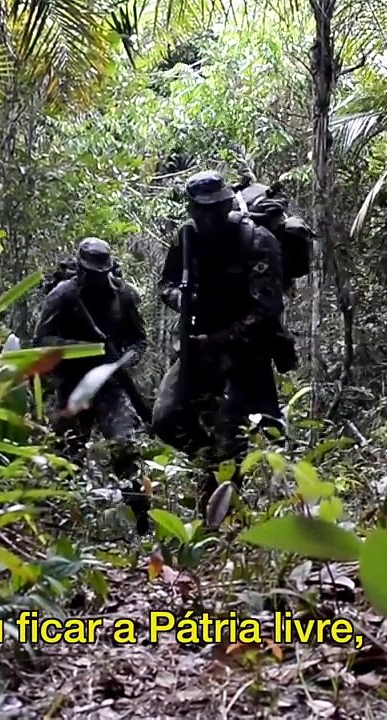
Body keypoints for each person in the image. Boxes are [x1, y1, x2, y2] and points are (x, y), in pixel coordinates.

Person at [151, 170, 287, 521]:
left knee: (232, 438)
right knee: (165, 417)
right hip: (199, 346)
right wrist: (182, 300)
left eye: (216, 208)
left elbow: (266, 311)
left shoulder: (257, 241)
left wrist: (219, 342)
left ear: (227, 204)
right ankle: (211, 471)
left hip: (244, 352)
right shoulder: (186, 240)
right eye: (201, 209)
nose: (208, 217)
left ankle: (221, 523)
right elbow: (166, 283)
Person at [32, 237, 151, 534]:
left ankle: (142, 522)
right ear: (81, 270)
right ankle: (58, 525)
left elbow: (139, 340)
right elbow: (41, 341)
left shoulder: (123, 297)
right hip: (73, 385)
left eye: (101, 273)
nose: (96, 279)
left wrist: (125, 360)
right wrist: (82, 348)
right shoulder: (63, 295)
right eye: (90, 273)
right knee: (64, 455)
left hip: (110, 385)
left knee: (125, 447)